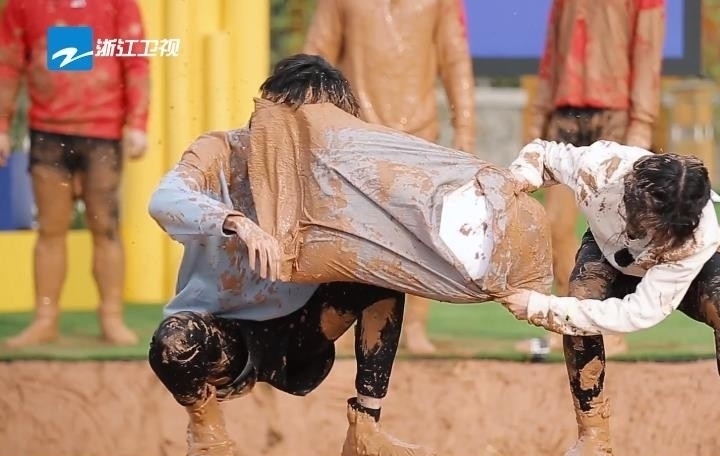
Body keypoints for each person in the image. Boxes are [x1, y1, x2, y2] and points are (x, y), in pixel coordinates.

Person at [147, 53, 550, 456]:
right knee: (174, 342)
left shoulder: (336, 169)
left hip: (302, 335)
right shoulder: (221, 151)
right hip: (222, 335)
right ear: (271, 115)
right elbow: (165, 199)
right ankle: (208, 437)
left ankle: (365, 428)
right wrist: (237, 222)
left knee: (382, 267)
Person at [498, 139, 720, 456]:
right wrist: (522, 176)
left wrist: (540, 307)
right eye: (649, 225)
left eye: (661, 231)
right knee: (580, 300)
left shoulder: (696, 236)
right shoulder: (600, 167)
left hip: (681, 264)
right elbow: (543, 154)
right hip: (610, 249)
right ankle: (593, 439)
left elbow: (637, 313)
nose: (652, 237)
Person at [302, 0, 476, 354]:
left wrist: (466, 130)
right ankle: (343, 324)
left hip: (418, 134)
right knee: (350, 234)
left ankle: (413, 326)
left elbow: (454, 58)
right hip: (356, 132)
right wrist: (303, 121)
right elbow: (317, 56)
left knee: (422, 237)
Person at [521, 0, 667, 356]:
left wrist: (641, 125)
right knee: (553, 223)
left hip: (615, 112)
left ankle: (610, 328)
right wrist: (538, 118)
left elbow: (647, 52)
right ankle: (571, 321)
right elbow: (551, 54)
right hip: (565, 111)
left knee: (614, 230)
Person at [0, 0, 149, 347]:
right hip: (48, 134)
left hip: (103, 134)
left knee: (106, 229)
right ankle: (45, 319)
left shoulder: (119, 3)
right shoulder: (23, 4)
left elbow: (136, 61)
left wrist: (138, 123)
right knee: (50, 230)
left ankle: (111, 318)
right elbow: (7, 64)